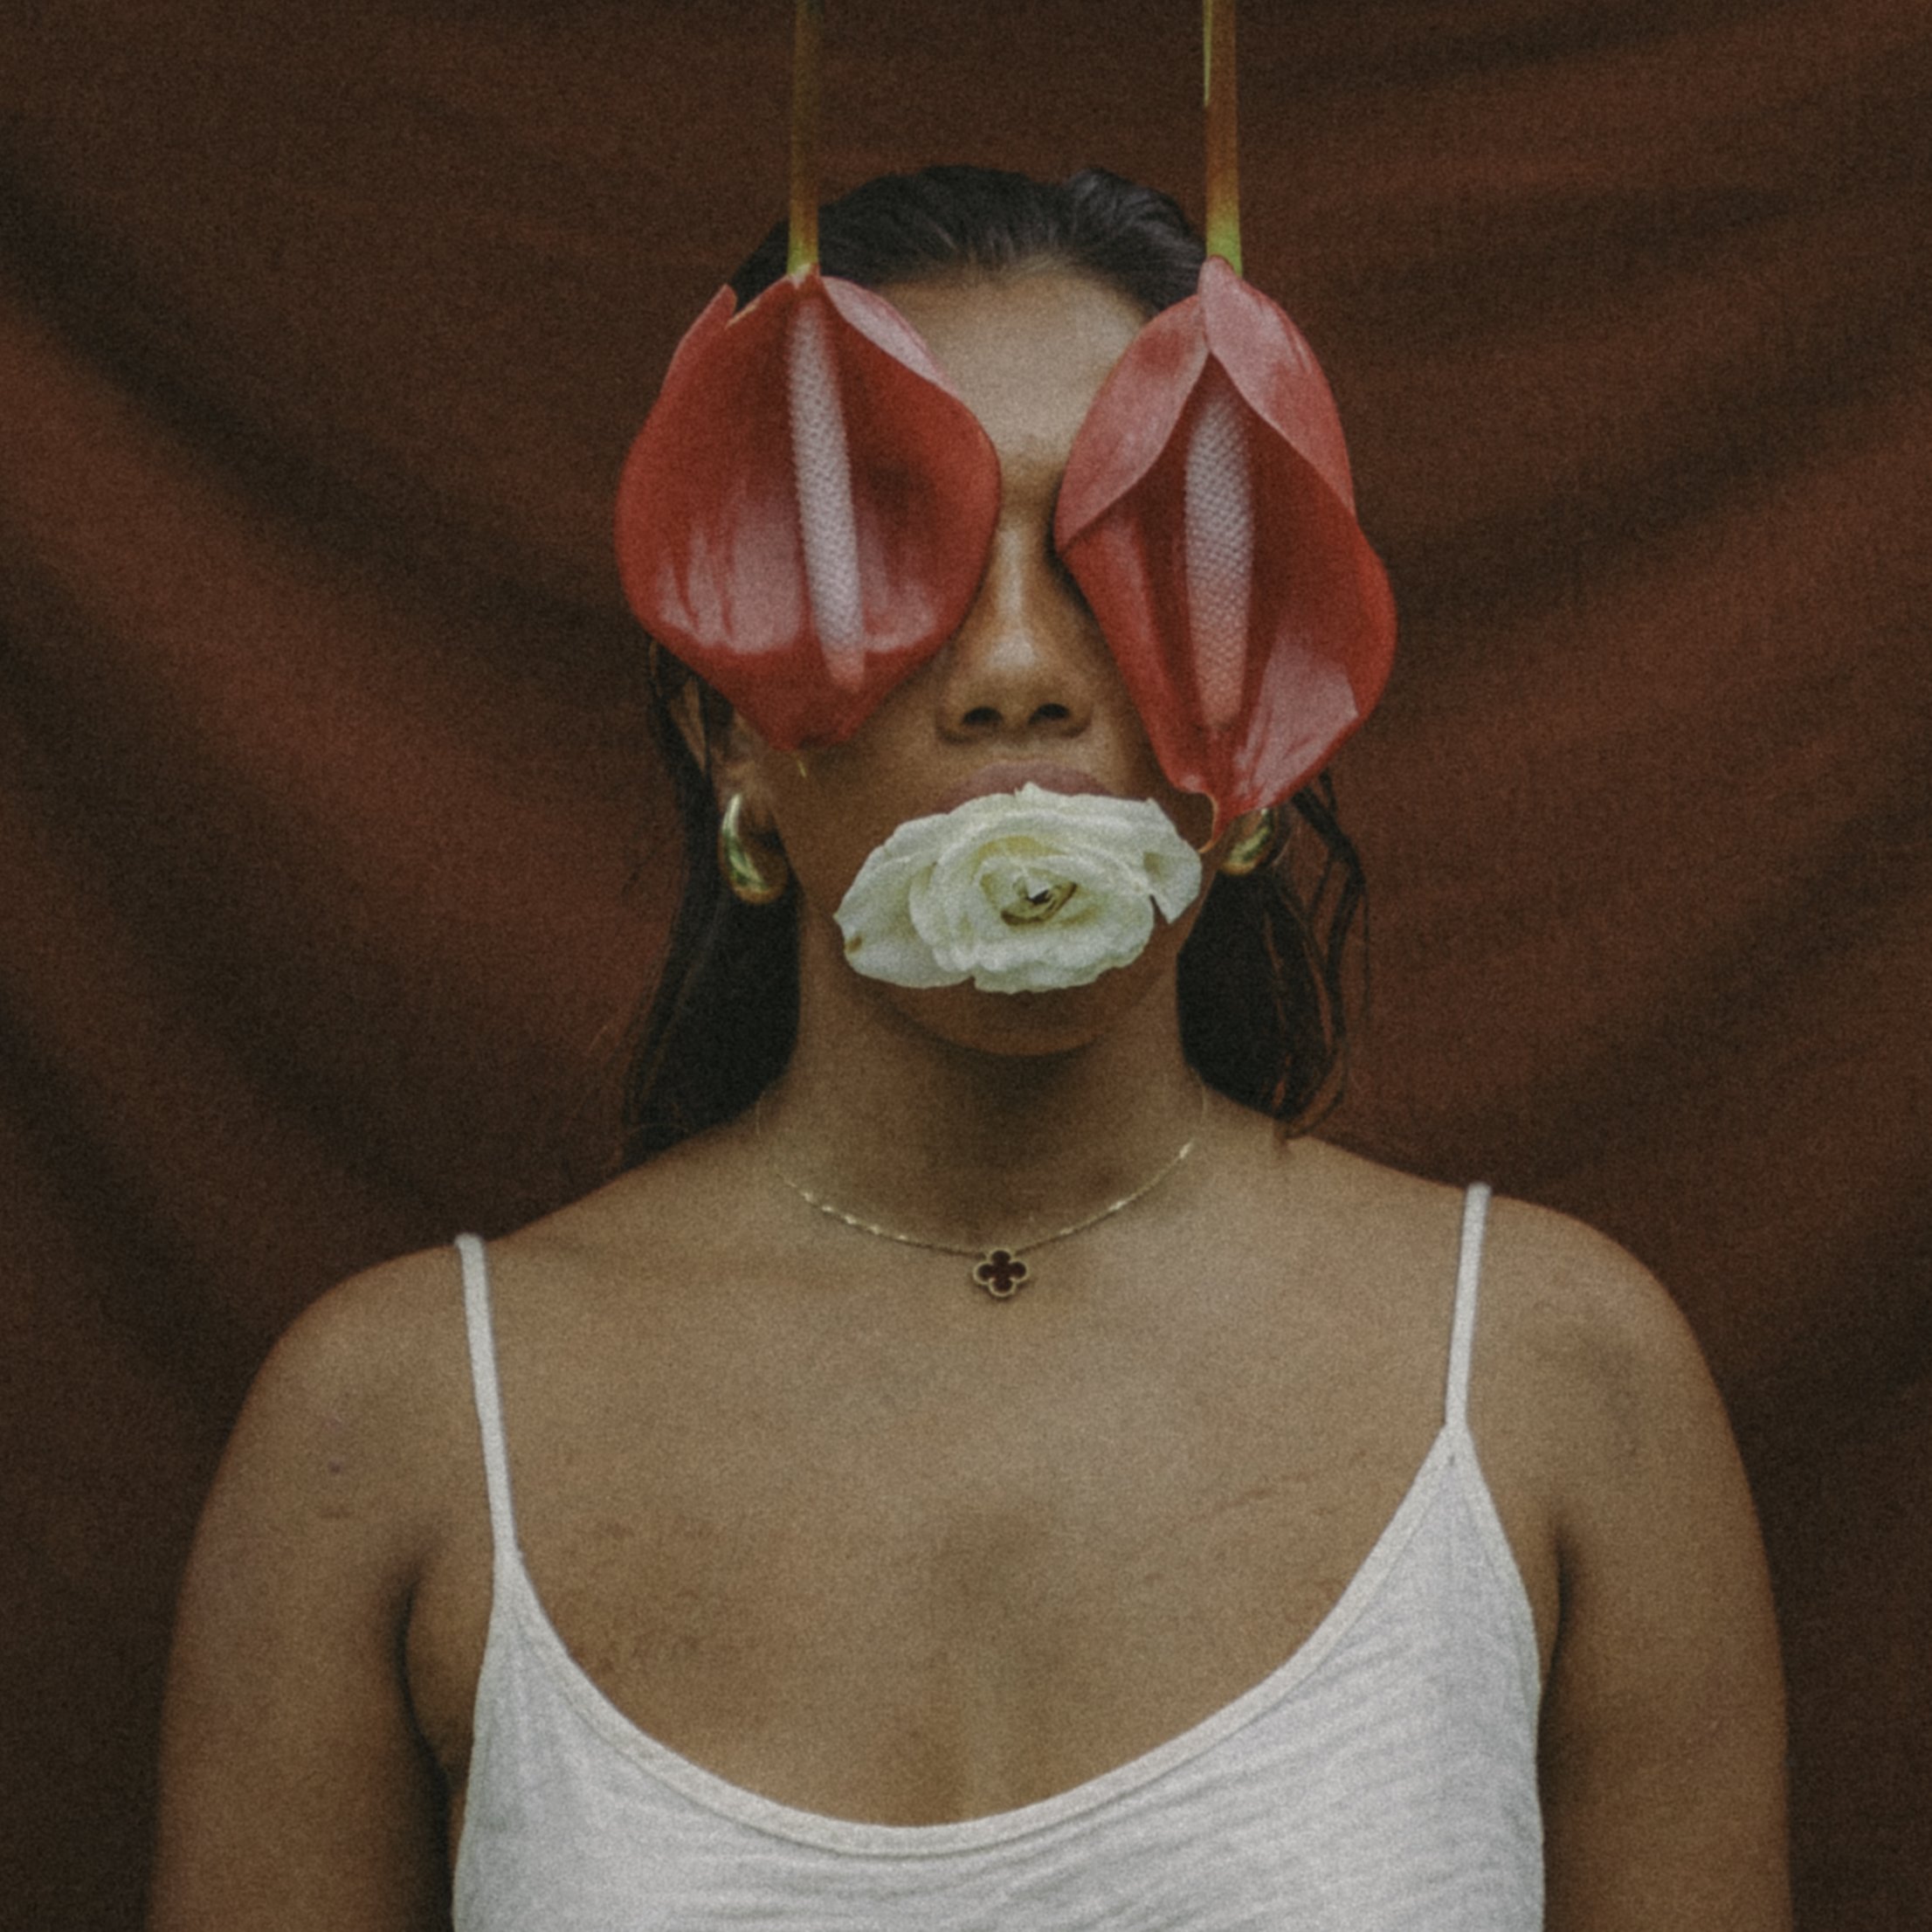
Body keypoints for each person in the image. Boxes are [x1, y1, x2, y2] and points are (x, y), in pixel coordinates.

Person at [148, 167, 1790, 1930]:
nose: (1015, 667)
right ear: (727, 734)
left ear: (1265, 697)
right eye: (881, 552)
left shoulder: (1562, 1385)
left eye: (1128, 559)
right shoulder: (386, 1428)